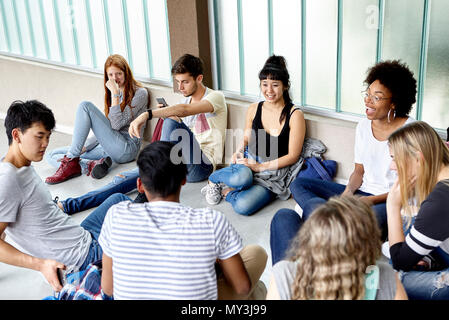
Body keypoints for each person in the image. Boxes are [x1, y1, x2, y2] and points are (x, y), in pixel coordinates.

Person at [55, 53, 227, 214]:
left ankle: (147, 190)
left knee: (170, 120)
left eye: (185, 82)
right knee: (124, 178)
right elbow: (181, 110)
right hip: (179, 163)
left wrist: (148, 114)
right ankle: (70, 204)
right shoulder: (184, 100)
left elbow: (184, 110)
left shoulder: (215, 97)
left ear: (199, 78)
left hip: (202, 166)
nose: (180, 87)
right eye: (177, 82)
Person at [98, 141, 267, 300]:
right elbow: (242, 287)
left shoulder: (116, 215)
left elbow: (108, 288)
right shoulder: (210, 221)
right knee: (256, 257)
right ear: (184, 180)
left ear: (140, 185)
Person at [289, 60, 417, 239]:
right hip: (361, 192)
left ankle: (321, 219)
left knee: (356, 223)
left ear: (394, 102)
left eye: (376, 97)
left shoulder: (413, 131)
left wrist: (368, 201)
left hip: (390, 200)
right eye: (367, 94)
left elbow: (410, 189)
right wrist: (348, 192)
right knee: (298, 184)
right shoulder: (363, 126)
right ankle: (326, 219)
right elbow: (359, 170)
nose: (368, 101)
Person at [0, 100, 114, 292]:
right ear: (16, 135)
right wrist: (41, 264)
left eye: (48, 136)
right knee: (142, 244)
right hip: (80, 259)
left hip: (80, 236)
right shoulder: (8, 180)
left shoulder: (21, 163)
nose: (45, 144)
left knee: (117, 200)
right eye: (39, 136)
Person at [200, 55, 306, 216]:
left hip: (273, 173)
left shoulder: (295, 115)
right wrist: (238, 151)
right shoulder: (254, 108)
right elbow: (246, 137)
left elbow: (293, 155)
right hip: (249, 162)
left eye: (275, 85)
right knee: (243, 178)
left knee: (244, 206)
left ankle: (227, 192)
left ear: (285, 86)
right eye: (265, 85)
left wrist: (260, 167)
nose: (269, 91)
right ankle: (213, 180)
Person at [267, 196, 407, 300]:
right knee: (312, 204)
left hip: (302, 273)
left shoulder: (285, 273)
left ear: (309, 241)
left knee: (284, 216)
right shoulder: (386, 277)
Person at [45, 54, 149, 184]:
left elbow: (115, 125)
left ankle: (73, 161)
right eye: (110, 75)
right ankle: (90, 165)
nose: (115, 79)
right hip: (108, 147)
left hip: (126, 148)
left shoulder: (140, 93)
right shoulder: (114, 92)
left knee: (85, 106)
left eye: (119, 74)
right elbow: (105, 128)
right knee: (51, 155)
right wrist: (85, 147)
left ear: (126, 73)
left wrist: (115, 94)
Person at [386, 121, 449, 300]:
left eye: (393, 158)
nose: (392, 167)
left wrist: (392, 206)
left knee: (391, 280)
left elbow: (400, 262)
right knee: (411, 222)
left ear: (418, 158)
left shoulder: (441, 199)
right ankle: (426, 260)